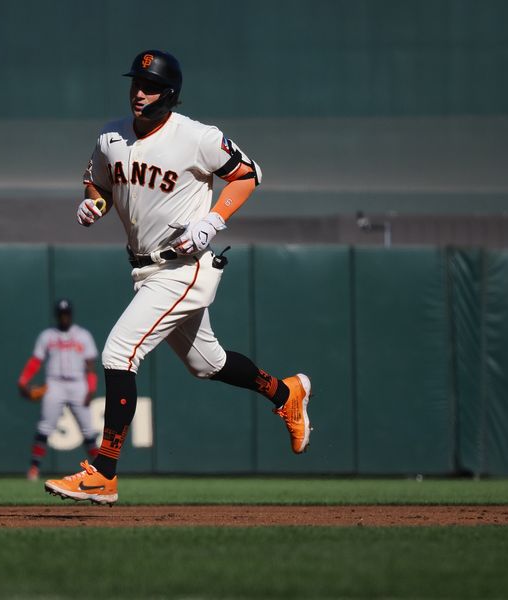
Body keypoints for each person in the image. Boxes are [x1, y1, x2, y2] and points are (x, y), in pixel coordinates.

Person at [44, 50, 311, 504]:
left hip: (185, 266)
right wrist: (94, 204)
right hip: (146, 269)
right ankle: (285, 392)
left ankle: (103, 471)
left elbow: (247, 175)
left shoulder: (196, 138)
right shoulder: (111, 135)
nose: (138, 92)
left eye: (149, 85)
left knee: (119, 351)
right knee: (208, 363)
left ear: (169, 95)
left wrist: (212, 220)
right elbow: (100, 184)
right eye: (135, 83)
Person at [18, 298, 99, 481]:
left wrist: (91, 388)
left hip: (78, 384)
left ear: (71, 315)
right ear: (57, 315)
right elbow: (36, 361)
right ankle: (33, 469)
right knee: (44, 427)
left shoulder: (83, 335)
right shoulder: (47, 336)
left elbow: (90, 365)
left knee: (88, 430)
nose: (64, 317)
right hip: (54, 384)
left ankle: (100, 470)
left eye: (67, 314)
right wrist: (23, 380)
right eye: (61, 314)